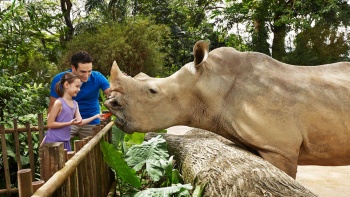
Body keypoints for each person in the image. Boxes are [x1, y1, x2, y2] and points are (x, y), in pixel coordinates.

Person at [48, 51, 110, 139]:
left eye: (89, 71)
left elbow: (111, 94)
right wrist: (51, 126)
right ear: (73, 68)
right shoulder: (59, 79)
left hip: (91, 121)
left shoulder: (97, 77)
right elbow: (52, 105)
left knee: (92, 151)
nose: (87, 75)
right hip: (67, 122)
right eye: (83, 72)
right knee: (55, 146)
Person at [43, 72, 106, 151]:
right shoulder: (59, 103)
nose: (79, 89)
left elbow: (80, 122)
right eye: (77, 86)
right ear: (66, 85)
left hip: (66, 141)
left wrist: (96, 116)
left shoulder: (75, 104)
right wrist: (69, 123)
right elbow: (50, 124)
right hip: (54, 141)